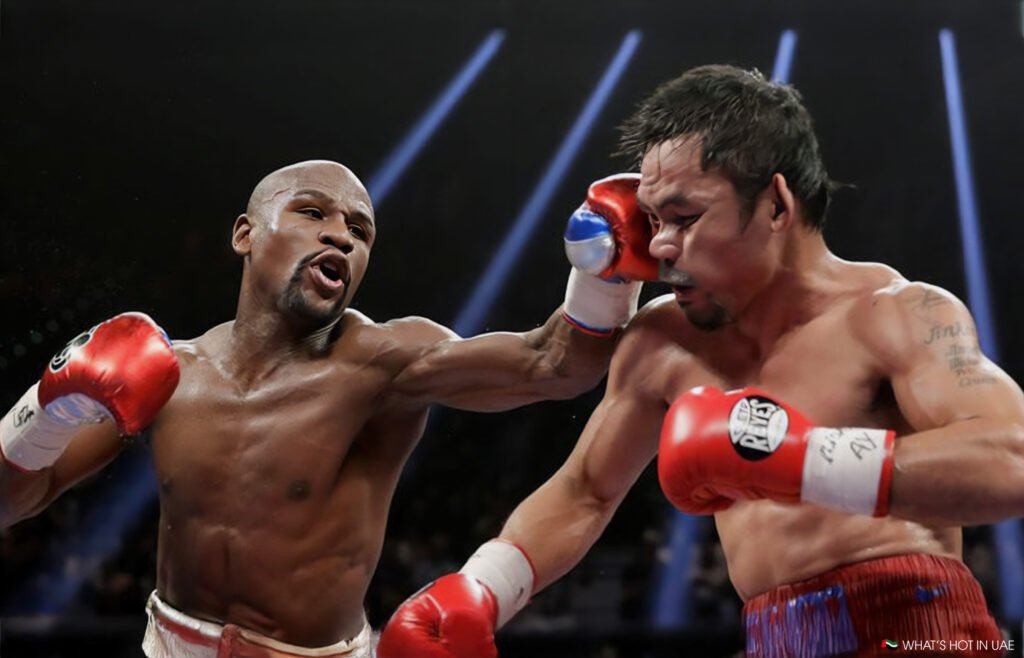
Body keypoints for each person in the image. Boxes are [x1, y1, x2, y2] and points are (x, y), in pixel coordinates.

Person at [378, 65, 1024, 658]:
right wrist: (483, 588)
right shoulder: (664, 341)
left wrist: (803, 460)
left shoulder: (895, 313)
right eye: (651, 220)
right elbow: (585, 492)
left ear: (776, 205)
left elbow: (1012, 457)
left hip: (917, 628)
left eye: (684, 217)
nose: (659, 246)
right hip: (773, 638)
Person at [0, 159, 654, 658]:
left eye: (359, 230)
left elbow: (555, 364)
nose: (340, 236)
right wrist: (45, 409)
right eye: (313, 212)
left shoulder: (384, 363)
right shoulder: (171, 373)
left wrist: (604, 269)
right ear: (244, 235)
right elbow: (14, 501)